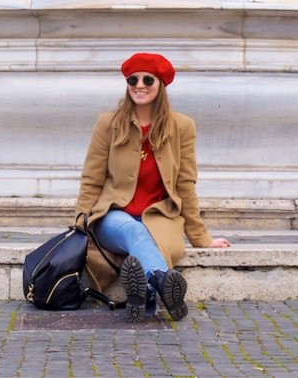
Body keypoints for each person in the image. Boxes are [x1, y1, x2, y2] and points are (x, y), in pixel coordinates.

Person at [75, 52, 231, 323]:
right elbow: (91, 179)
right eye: (133, 79)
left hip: (160, 217)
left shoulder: (182, 127)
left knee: (146, 237)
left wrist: (201, 237)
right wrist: (78, 226)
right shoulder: (108, 124)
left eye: (148, 79)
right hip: (113, 216)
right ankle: (162, 282)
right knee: (134, 230)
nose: (140, 85)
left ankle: (143, 296)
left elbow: (185, 185)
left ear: (160, 85)